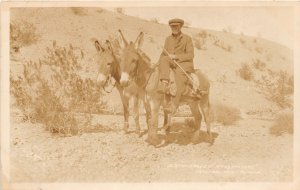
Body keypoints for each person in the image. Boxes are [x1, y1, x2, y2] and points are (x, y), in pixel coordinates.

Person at [157, 18, 195, 114]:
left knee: (178, 75)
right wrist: (158, 64)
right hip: (172, 62)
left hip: (184, 63)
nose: (174, 28)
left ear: (180, 26)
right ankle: (164, 83)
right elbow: (163, 54)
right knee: (163, 60)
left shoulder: (187, 39)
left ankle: (174, 104)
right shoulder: (168, 39)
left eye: (176, 26)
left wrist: (176, 56)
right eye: (172, 26)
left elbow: (190, 55)